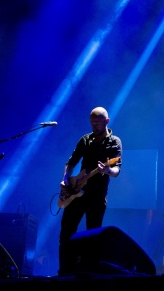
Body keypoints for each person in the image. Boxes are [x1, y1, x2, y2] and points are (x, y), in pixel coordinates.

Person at [58, 107, 122, 275]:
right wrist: (66, 178)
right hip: (76, 192)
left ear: (106, 122)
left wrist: (107, 170)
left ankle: (89, 274)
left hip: (97, 197)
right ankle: (64, 271)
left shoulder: (115, 142)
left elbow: (117, 170)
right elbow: (71, 162)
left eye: (98, 123)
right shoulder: (85, 140)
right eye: (92, 123)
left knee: (93, 236)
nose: (94, 126)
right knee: (66, 233)